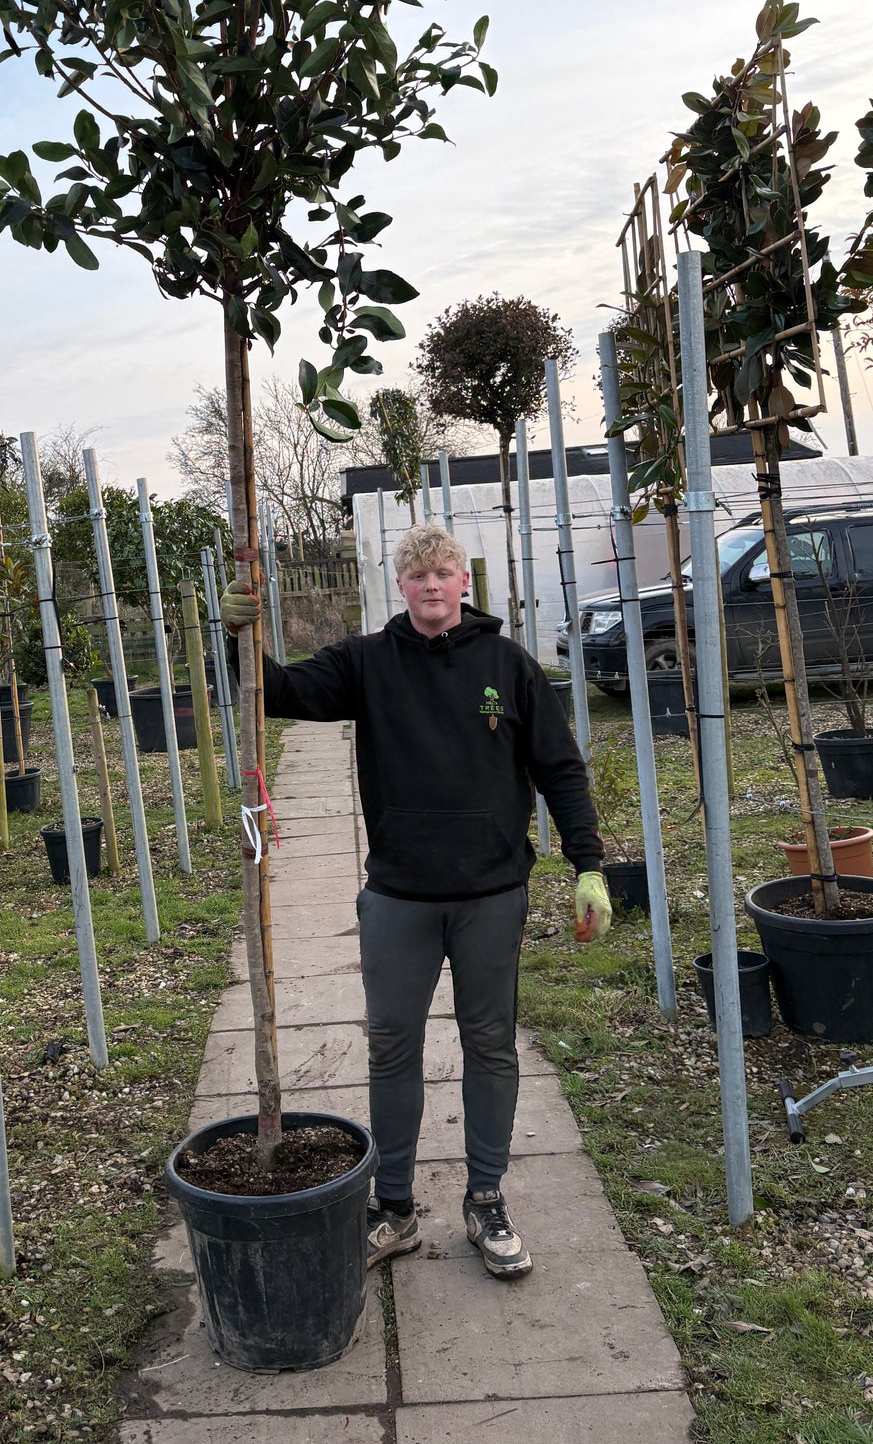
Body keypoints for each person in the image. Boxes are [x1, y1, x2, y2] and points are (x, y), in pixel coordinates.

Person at [222, 523, 611, 1280]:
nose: (431, 585)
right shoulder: (367, 662)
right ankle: (393, 1206)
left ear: (464, 582)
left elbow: (559, 768)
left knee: (489, 1043)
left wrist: (587, 864)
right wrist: (235, 637)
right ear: (398, 586)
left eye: (442, 572)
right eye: (416, 574)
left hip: (491, 895)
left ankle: (486, 1197)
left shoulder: (509, 666)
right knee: (391, 1046)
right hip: (398, 897)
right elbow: (278, 692)